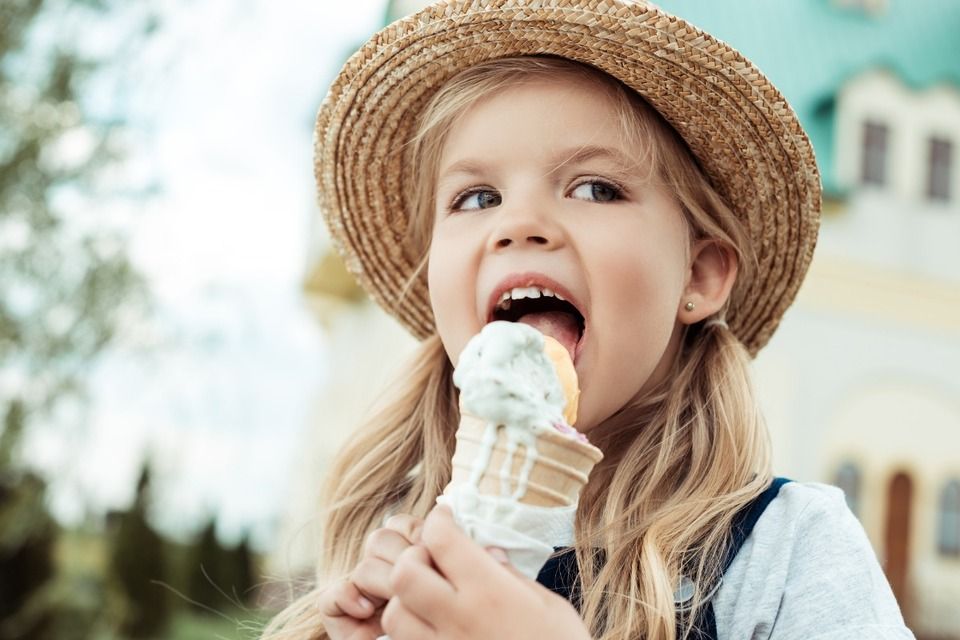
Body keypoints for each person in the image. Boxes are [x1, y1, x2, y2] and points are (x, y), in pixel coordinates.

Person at [264, 1, 914, 638]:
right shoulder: (401, 550)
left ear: (699, 275)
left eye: (595, 188)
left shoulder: (788, 551)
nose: (517, 223)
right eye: (477, 197)